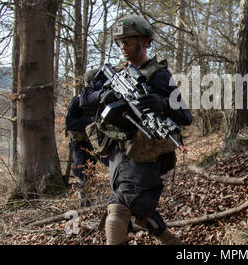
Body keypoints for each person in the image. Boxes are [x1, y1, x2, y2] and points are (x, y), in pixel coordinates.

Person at [79, 14, 192, 245]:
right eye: (119, 42)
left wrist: (161, 104)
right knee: (140, 210)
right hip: (117, 154)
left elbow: (185, 116)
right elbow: (83, 99)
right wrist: (102, 94)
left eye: (128, 41)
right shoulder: (113, 73)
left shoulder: (158, 75)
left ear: (145, 42)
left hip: (144, 154)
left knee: (118, 210)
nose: (123, 47)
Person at [66, 70, 109, 206]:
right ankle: (85, 203)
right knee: (83, 172)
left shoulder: (102, 98)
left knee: (115, 164)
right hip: (81, 143)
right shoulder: (78, 100)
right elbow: (70, 123)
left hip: (100, 141)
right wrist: (90, 121)